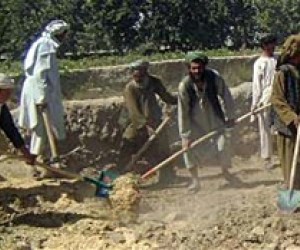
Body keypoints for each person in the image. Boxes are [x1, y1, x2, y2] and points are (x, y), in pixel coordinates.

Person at [178, 52, 235, 191]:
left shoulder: (214, 77)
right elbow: (183, 112)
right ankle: (195, 181)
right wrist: (185, 136)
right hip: (195, 124)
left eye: (199, 68)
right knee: (188, 150)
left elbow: (226, 96)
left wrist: (230, 116)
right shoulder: (184, 86)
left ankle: (225, 172)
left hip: (215, 120)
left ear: (204, 66)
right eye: (193, 68)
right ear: (189, 69)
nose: (197, 71)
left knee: (223, 146)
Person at [18, 20, 69, 164]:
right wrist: (41, 98)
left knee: (46, 130)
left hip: (44, 92)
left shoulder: (45, 45)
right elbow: (40, 73)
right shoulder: (45, 46)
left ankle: (45, 159)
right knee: (40, 130)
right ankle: (36, 160)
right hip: (38, 93)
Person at [121, 59, 177, 184]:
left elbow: (166, 96)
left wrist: (178, 100)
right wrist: (145, 126)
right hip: (136, 123)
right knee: (128, 144)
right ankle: (122, 175)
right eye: (134, 72)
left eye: (140, 71)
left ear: (145, 71)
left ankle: (167, 176)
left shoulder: (154, 82)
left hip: (155, 120)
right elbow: (133, 111)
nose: (136, 74)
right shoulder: (130, 88)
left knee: (163, 147)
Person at [271, 34, 300, 189]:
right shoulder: (283, 73)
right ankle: (291, 191)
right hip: (287, 126)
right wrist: (292, 117)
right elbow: (276, 99)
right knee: (290, 162)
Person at [251, 34, 277, 170]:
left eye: (274, 44)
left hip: (279, 96)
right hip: (265, 97)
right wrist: (254, 105)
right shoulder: (259, 63)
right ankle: (267, 158)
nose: (273, 47)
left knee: (280, 126)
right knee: (265, 128)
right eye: (271, 44)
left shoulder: (277, 61)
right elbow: (256, 86)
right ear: (265, 46)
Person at [0, 73, 35, 164]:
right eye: (7, 92)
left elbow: (11, 130)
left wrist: (25, 152)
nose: (9, 95)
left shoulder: (2, 108)